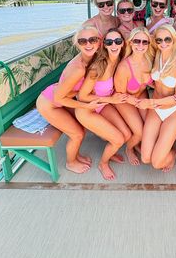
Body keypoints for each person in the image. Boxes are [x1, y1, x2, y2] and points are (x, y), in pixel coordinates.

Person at [36, 26, 101, 173]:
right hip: (50, 103)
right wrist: (86, 106)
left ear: (99, 41)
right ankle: (70, 162)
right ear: (77, 44)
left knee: (82, 126)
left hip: (62, 97)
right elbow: (59, 97)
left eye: (92, 40)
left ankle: (75, 155)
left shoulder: (91, 58)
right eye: (83, 41)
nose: (88, 44)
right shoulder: (78, 68)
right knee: (77, 134)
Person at [75, 28, 132, 180]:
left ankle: (110, 151)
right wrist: (111, 100)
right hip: (87, 109)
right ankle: (103, 163)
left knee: (126, 135)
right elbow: (82, 96)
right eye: (109, 42)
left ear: (122, 44)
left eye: (117, 41)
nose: (114, 45)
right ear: (104, 45)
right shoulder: (98, 66)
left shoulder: (119, 61)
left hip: (102, 104)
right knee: (118, 139)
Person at [139, 24, 176, 172]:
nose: (163, 43)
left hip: (172, 111)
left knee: (156, 163)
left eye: (167, 39)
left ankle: (172, 153)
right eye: (159, 40)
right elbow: (156, 82)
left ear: (174, 40)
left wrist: (150, 102)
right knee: (145, 158)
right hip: (155, 109)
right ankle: (165, 147)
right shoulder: (156, 57)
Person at [114, 27, 155, 165]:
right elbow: (120, 94)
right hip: (124, 99)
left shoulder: (150, 60)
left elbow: (154, 82)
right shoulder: (124, 67)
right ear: (130, 43)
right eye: (137, 41)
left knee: (149, 128)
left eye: (145, 42)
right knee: (140, 132)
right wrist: (135, 102)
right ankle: (129, 149)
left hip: (140, 96)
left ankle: (138, 145)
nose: (141, 45)